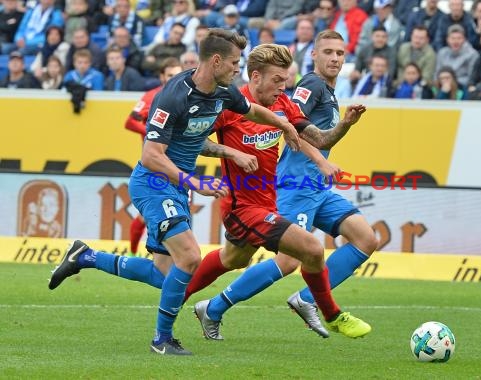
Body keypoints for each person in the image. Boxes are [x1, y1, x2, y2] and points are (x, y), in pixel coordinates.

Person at [48, 28, 302, 356]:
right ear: (216, 61)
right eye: (235, 62)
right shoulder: (174, 96)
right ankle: (162, 340)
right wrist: (193, 182)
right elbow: (150, 156)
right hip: (154, 184)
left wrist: (281, 126)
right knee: (190, 257)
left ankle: (86, 256)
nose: (238, 69)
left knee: (163, 275)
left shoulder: (224, 92)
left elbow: (252, 112)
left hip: (176, 186)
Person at [186, 32, 376, 340]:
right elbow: (195, 137)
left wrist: (344, 124)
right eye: (328, 51)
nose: (336, 58)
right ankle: (208, 305)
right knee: (291, 257)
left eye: (341, 53)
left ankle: (306, 299)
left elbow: (311, 132)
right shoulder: (308, 87)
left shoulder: (310, 95)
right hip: (291, 187)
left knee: (365, 238)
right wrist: (320, 162)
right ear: (312, 55)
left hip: (311, 189)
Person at [125, 57, 183, 256]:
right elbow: (129, 122)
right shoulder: (152, 96)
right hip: (156, 162)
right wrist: (152, 132)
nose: (173, 79)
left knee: (177, 209)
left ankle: (165, 256)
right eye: (169, 75)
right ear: (161, 77)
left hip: (179, 163)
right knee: (152, 214)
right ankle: (135, 252)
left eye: (177, 75)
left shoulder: (187, 97)